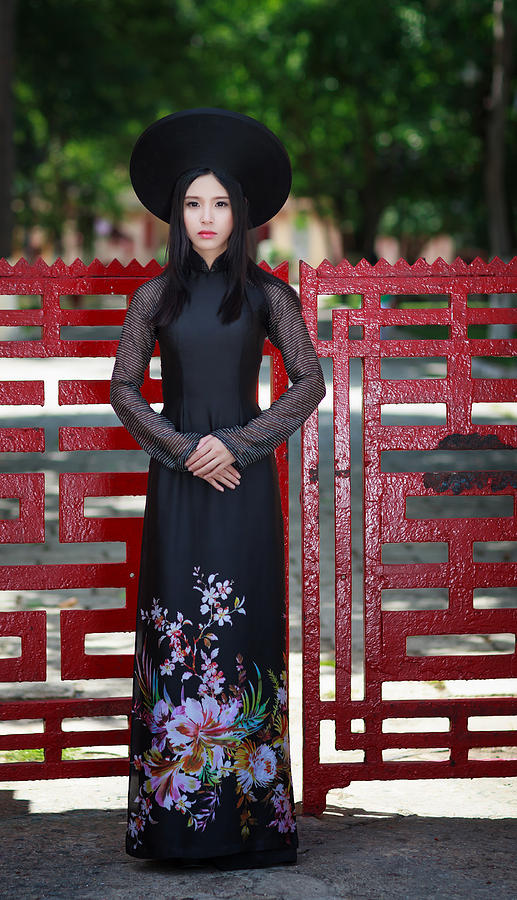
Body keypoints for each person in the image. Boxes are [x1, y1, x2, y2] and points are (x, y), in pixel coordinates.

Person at [110, 107, 326, 869]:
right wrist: (179, 450)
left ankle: (254, 823)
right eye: (193, 204)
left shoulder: (269, 296)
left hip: (242, 482)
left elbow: (309, 381)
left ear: (241, 213)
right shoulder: (153, 298)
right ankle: (174, 826)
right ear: (176, 214)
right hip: (179, 487)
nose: (206, 218)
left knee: (242, 638)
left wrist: (237, 442)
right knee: (178, 639)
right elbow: (124, 389)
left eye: (220, 203)